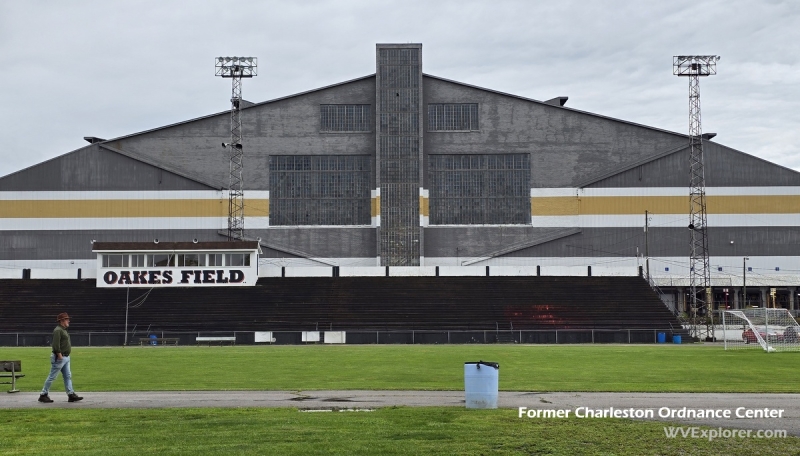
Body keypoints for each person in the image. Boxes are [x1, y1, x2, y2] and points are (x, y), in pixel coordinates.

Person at [38, 312, 83, 403]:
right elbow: (55, 344)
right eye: (67, 319)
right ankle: (43, 394)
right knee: (52, 376)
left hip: (65, 357)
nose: (68, 321)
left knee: (67, 376)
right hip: (60, 357)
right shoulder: (58, 330)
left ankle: (71, 394)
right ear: (62, 320)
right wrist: (59, 355)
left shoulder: (63, 330)